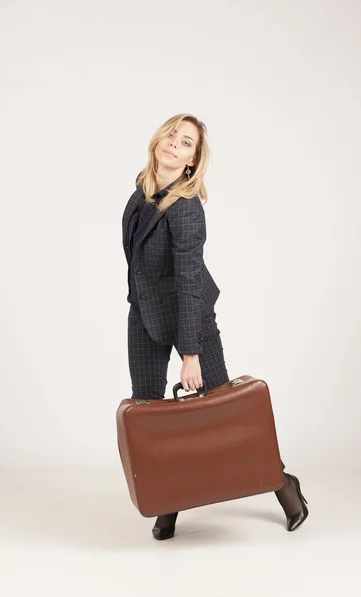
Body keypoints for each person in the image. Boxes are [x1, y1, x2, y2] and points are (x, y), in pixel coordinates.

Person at [122, 113, 309, 540]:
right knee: (148, 414)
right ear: (157, 141)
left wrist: (190, 353)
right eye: (171, 135)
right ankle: (168, 504)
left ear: (192, 162)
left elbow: (189, 280)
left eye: (186, 143)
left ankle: (284, 486)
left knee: (226, 415)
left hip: (191, 315)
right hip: (146, 313)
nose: (174, 143)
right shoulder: (141, 192)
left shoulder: (185, 208)